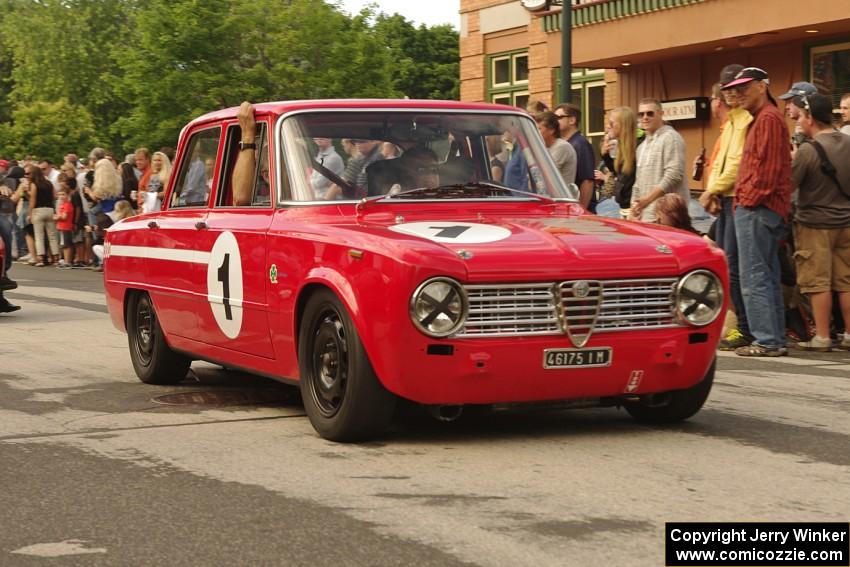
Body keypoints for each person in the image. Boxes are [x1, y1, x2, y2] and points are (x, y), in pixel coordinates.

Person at [721, 67, 792, 357]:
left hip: (758, 208)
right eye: (735, 88)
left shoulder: (767, 119)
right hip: (763, 207)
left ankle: (767, 341)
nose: (738, 93)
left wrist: (747, 201)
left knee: (754, 276)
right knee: (766, 273)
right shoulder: (765, 118)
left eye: (745, 87)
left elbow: (768, 170)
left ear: (762, 86)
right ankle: (773, 337)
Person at [698, 65, 754, 351]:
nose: (731, 95)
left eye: (736, 90)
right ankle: (739, 325)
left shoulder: (743, 120)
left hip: (734, 198)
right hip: (725, 198)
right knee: (729, 263)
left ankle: (745, 327)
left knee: (737, 266)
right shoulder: (732, 122)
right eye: (727, 90)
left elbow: (736, 164)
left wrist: (712, 190)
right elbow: (722, 163)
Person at [789, 93, 850, 351]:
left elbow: (791, 184)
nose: (800, 121)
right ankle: (849, 334)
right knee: (847, 281)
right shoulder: (849, 143)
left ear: (811, 118)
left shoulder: (807, 150)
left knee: (818, 282)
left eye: (802, 116)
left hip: (814, 223)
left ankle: (822, 336)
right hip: (847, 222)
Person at [630, 98, 689, 222]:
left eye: (650, 113)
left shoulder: (671, 138)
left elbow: (674, 175)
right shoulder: (641, 147)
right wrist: (633, 210)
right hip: (646, 217)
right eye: (641, 114)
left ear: (661, 114)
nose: (645, 117)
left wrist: (647, 200)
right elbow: (637, 184)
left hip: (669, 217)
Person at [601, 106, 642, 219]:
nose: (608, 126)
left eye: (612, 123)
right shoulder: (620, 145)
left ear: (622, 124)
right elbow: (617, 173)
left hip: (635, 206)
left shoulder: (639, 145)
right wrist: (605, 156)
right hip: (623, 205)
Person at [554, 103, 596, 211]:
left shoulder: (580, 144)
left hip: (579, 209)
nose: (554, 122)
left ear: (572, 120)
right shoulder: (566, 143)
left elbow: (588, 181)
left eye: (558, 117)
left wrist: (581, 209)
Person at [26, 163, 59, 266]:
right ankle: (55, 257)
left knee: (39, 235)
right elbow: (55, 196)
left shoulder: (34, 184)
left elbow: (33, 200)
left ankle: (40, 258)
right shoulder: (49, 183)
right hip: (49, 210)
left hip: (38, 210)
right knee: (52, 235)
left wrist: (30, 214)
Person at [534, 111, 577, 187]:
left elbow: (544, 174)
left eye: (539, 129)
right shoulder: (544, 148)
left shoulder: (562, 147)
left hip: (560, 197)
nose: (535, 132)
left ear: (551, 130)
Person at [53, 184, 75, 268]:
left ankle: (67, 261)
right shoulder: (62, 205)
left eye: (63, 194)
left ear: (68, 195)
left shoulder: (67, 205)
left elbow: (64, 216)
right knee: (63, 245)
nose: (61, 196)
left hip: (65, 227)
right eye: (60, 194)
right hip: (61, 227)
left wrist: (57, 217)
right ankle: (65, 260)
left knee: (67, 245)